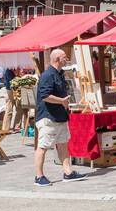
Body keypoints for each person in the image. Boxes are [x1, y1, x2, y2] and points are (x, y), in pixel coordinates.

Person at [34, 48, 85, 186]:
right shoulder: (48, 75)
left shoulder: (59, 74)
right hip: (48, 117)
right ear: (57, 59)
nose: (66, 59)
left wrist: (66, 103)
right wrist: (61, 101)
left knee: (63, 144)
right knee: (43, 146)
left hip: (60, 116)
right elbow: (45, 96)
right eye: (64, 57)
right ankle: (39, 176)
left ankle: (68, 172)